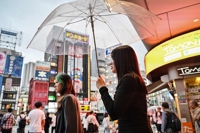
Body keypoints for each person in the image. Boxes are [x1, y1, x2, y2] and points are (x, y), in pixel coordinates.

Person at [96, 45, 152, 133]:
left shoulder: (129, 79)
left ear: (121, 60)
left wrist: (102, 88)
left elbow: (114, 113)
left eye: (113, 59)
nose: (110, 63)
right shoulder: (132, 79)